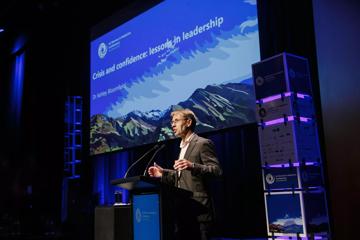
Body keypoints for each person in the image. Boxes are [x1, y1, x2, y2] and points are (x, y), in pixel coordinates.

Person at [148, 109, 222, 240]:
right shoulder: (182, 147)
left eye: (176, 121)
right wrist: (163, 173)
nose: (172, 125)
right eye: (172, 122)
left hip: (199, 211)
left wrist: (192, 165)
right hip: (183, 210)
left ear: (188, 122)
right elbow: (182, 176)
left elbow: (216, 171)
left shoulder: (202, 143)